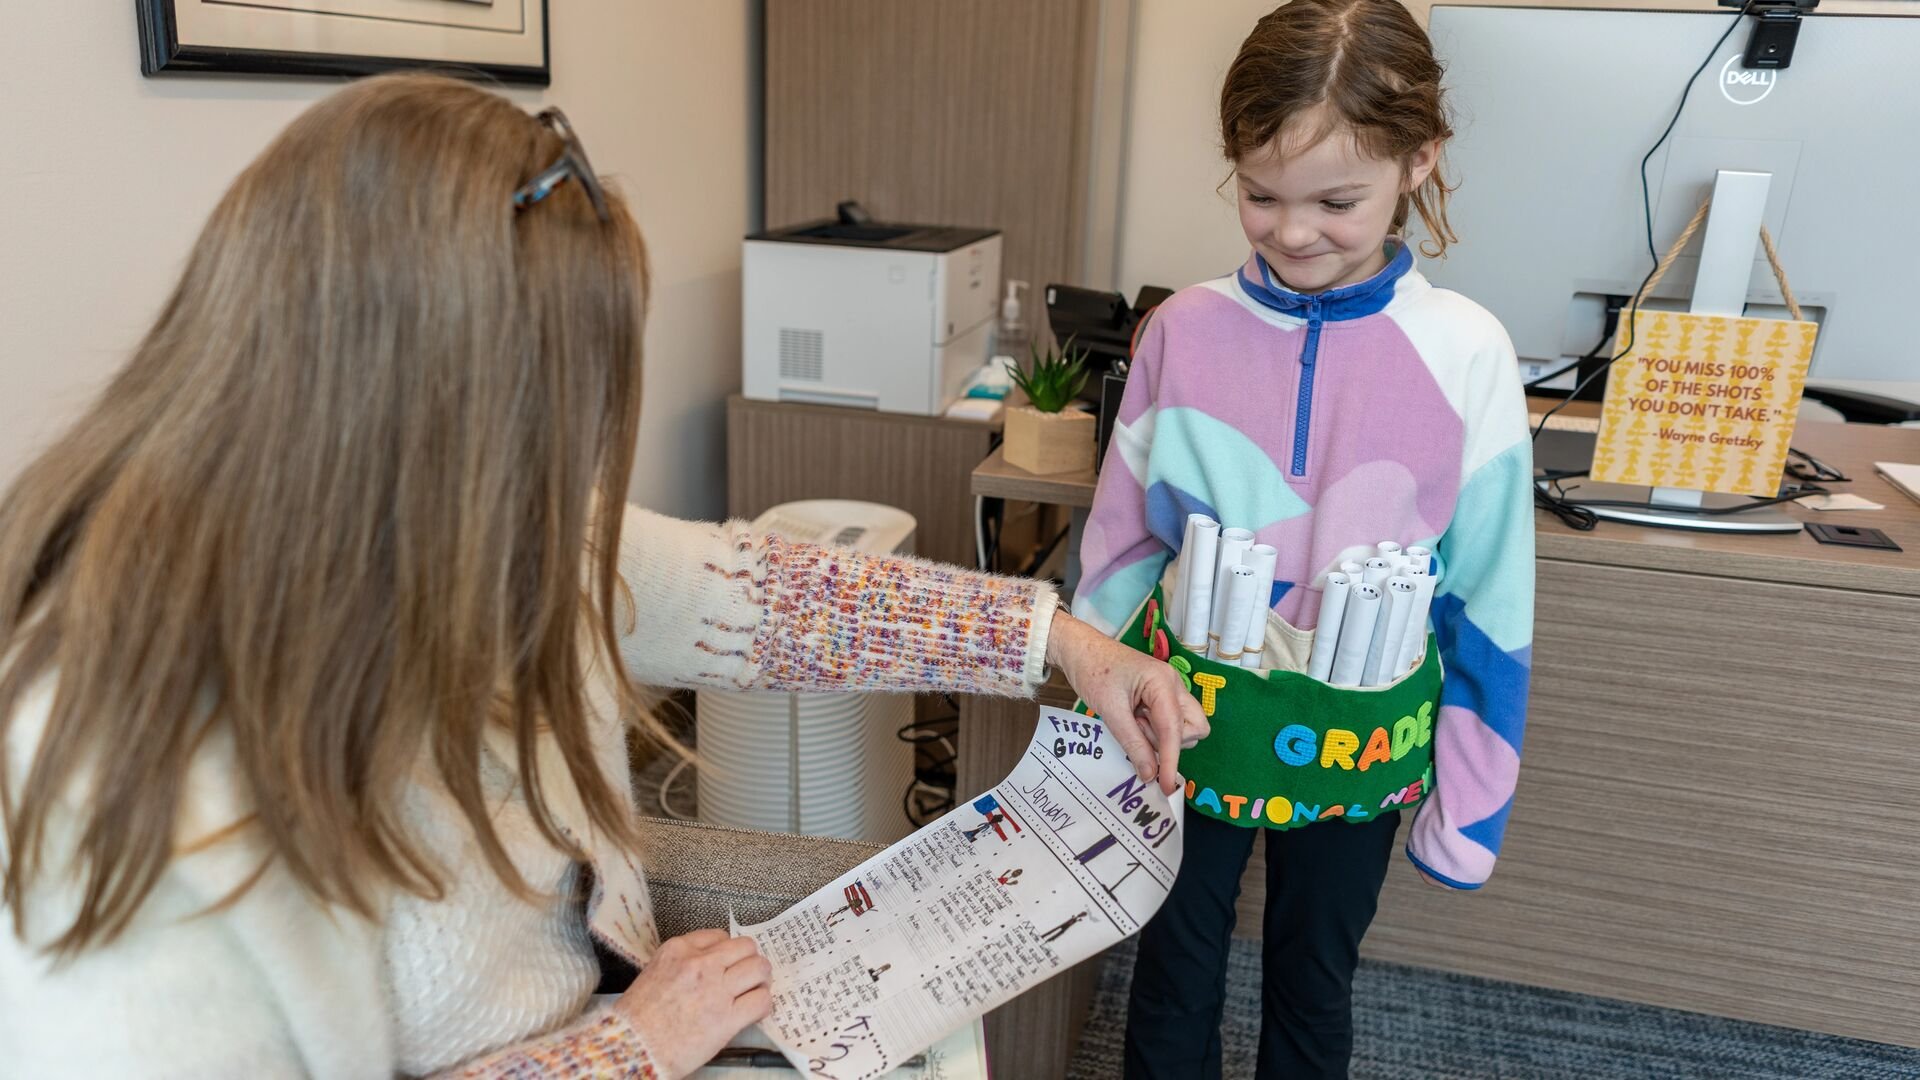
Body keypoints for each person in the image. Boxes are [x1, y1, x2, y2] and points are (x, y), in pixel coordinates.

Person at [0, 74, 1207, 1079]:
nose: (573, 481)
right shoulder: (129, 825)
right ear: (406, 420)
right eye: (551, 428)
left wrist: (1054, 642)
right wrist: (630, 1048)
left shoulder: (455, 529)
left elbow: (762, 591)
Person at [1074, 2, 1535, 1076]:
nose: (1291, 231)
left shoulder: (1466, 352)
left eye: (1337, 201)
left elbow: (1492, 593)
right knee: (1170, 970)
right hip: (1186, 727)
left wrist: (1471, 800)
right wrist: (1100, 720)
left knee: (1314, 979)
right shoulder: (1183, 330)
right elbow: (1119, 543)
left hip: (1359, 735)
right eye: (1259, 193)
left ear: (1419, 160)